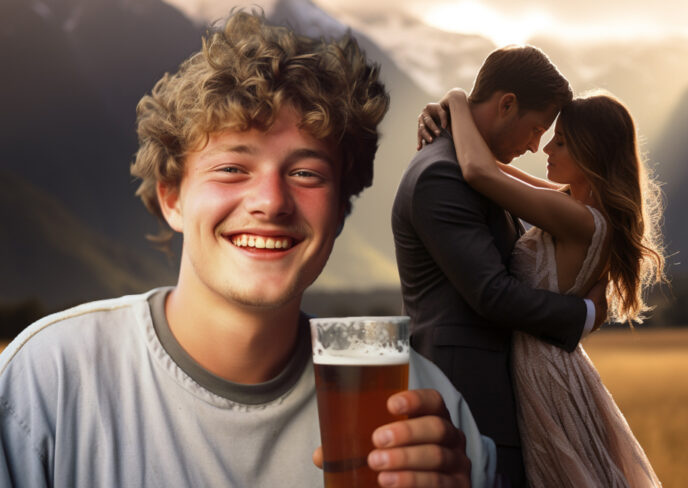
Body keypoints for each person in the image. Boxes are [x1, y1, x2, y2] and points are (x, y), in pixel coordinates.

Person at [0, 11, 496, 487]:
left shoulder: (424, 404)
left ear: (340, 210)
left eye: (306, 173)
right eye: (232, 168)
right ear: (170, 198)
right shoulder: (47, 378)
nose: (272, 202)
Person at [416, 87, 667, 486]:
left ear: (592, 154)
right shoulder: (580, 207)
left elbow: (480, 173)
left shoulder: (575, 217)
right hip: (555, 363)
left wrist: (457, 99)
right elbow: (503, 172)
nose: (547, 148)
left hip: (542, 371)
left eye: (562, 141)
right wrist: (452, 126)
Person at [391, 45, 607, 486]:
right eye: (536, 129)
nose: (534, 146)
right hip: (467, 394)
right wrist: (584, 314)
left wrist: (453, 99)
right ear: (507, 103)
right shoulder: (444, 173)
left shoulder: (474, 167)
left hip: (489, 391)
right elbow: (491, 294)